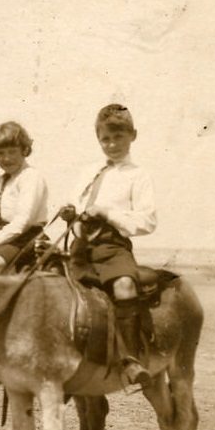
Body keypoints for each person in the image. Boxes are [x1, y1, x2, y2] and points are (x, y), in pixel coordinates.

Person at [59, 104, 157, 386]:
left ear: (132, 136)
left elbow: (147, 220)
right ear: (98, 138)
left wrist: (107, 213)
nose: (112, 145)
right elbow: (78, 207)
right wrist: (71, 214)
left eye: (119, 137)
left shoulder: (138, 175)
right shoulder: (89, 171)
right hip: (80, 246)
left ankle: (129, 360)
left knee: (124, 285)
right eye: (106, 139)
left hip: (113, 246)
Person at [0, 121, 48, 272]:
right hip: (2, 235)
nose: (6, 158)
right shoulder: (1, 181)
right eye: (1, 153)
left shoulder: (31, 177)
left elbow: (22, 222)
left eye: (12, 152)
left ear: (24, 150)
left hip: (25, 238)